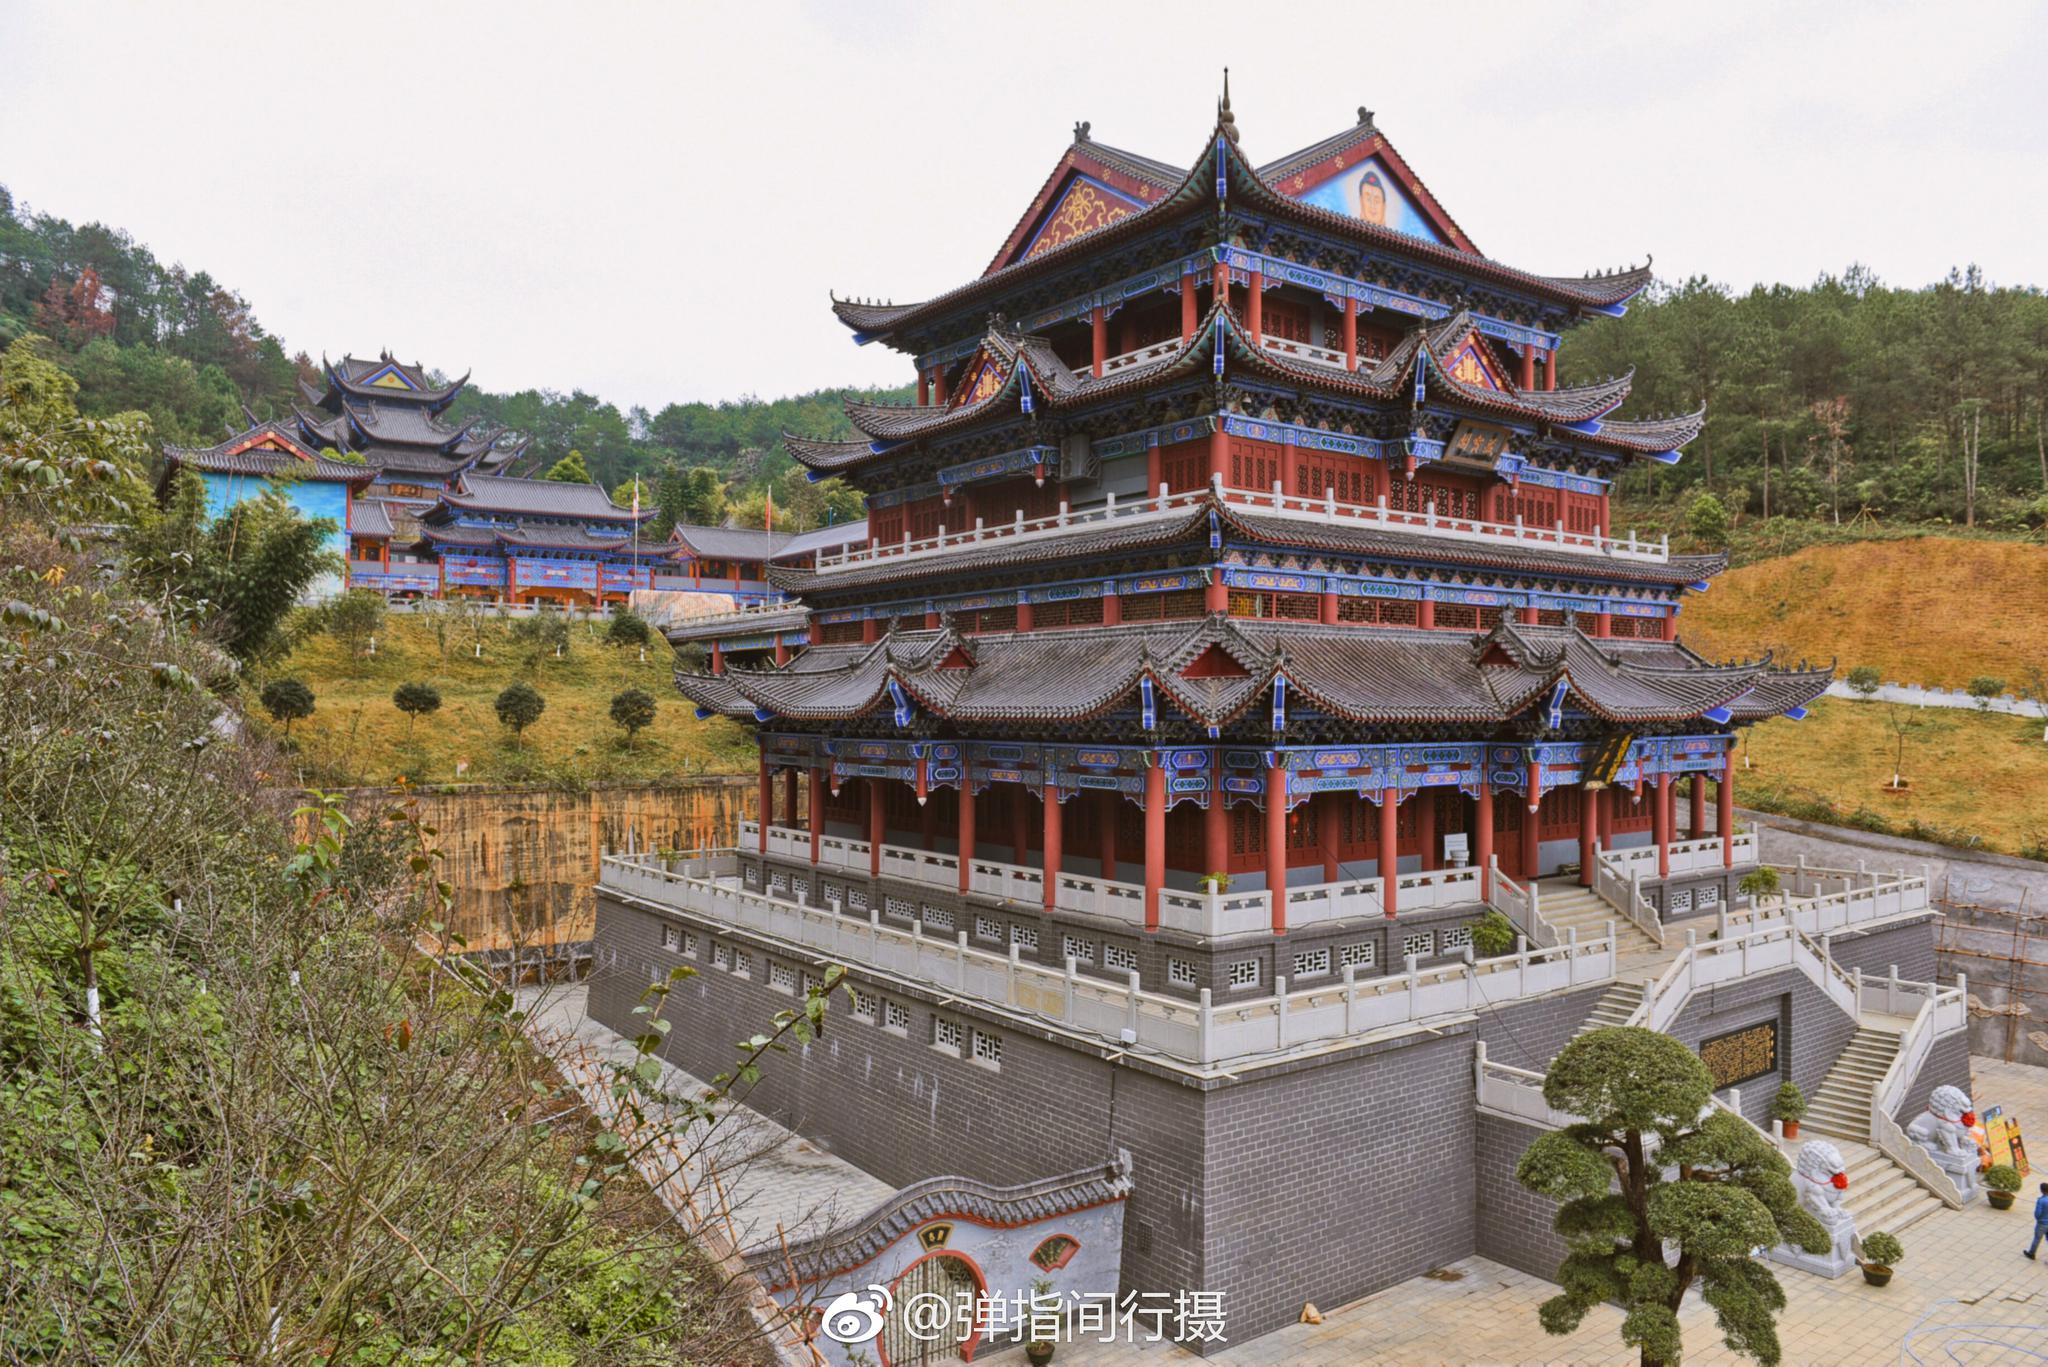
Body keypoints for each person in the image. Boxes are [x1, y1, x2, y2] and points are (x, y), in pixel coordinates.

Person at [2027, 1182, 2048, 1259]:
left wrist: (2039, 1219)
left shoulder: (2041, 1200)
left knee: (2037, 1239)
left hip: (2042, 1224)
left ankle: (2031, 1253)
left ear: (2042, 1190)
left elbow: (2037, 1214)